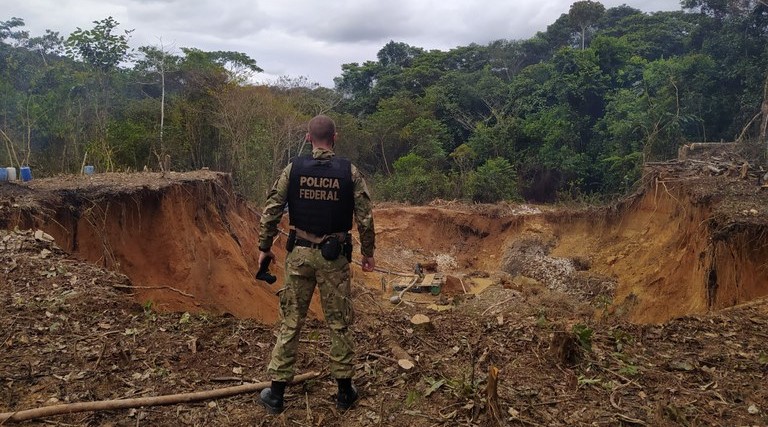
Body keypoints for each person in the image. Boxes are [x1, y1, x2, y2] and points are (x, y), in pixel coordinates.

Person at [257, 114, 376, 414]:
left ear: (309, 138)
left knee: (292, 320)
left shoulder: (293, 168)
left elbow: (271, 209)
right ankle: (344, 392)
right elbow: (365, 216)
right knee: (339, 322)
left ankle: (277, 394)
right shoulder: (349, 171)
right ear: (335, 137)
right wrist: (368, 253)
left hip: (298, 255)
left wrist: (264, 247)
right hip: (333, 258)